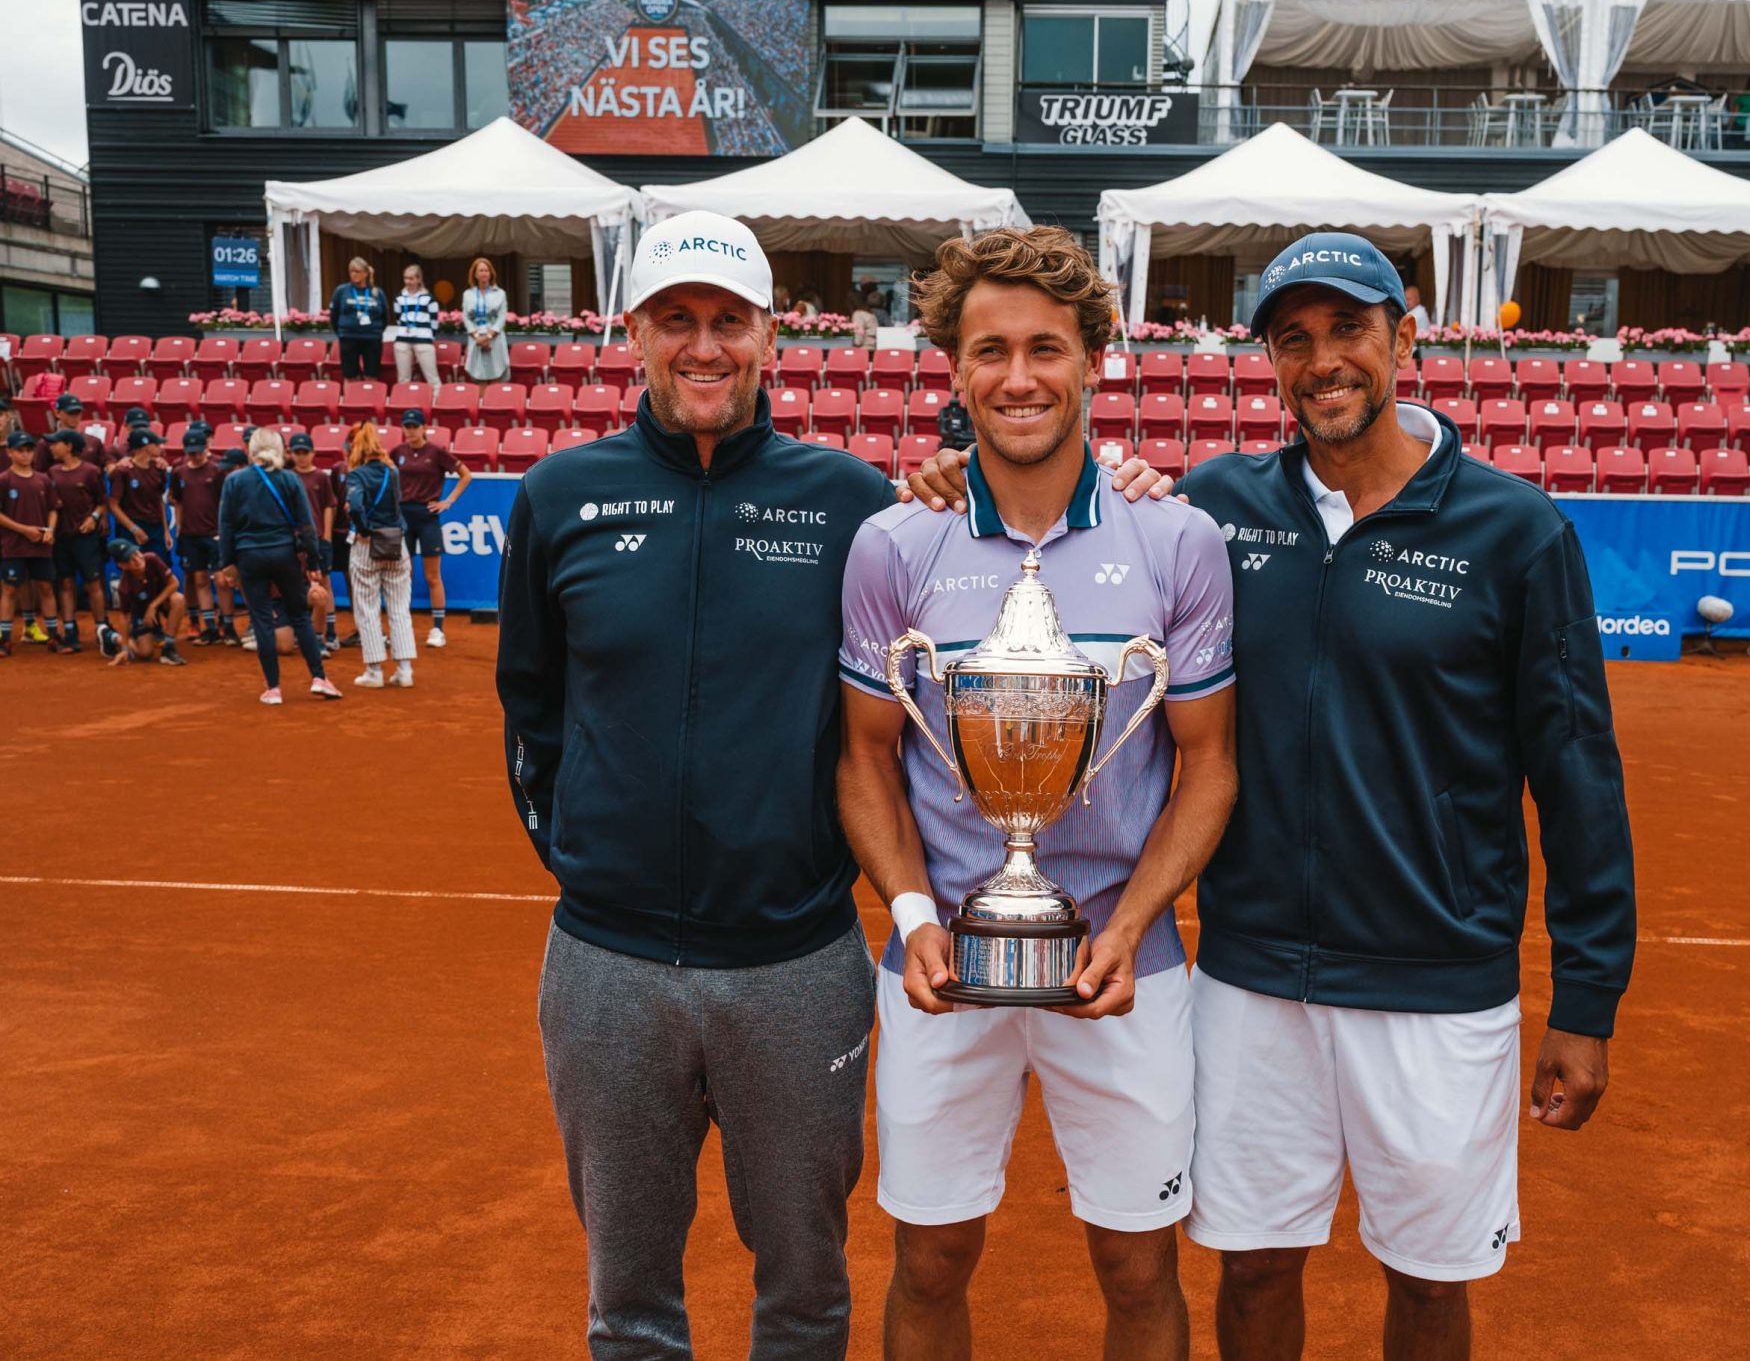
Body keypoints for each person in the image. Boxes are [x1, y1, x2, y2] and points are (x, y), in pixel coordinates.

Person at [905, 231, 1637, 1361]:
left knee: (1431, 1286)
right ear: (1269, 363)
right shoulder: (1214, 511)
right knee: (1249, 1274)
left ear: (1403, 337)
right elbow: (1080, 508)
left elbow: (1577, 774)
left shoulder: (1514, 530)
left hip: (1437, 982)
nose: (1321, 361)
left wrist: (1584, 1002)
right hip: (1252, 981)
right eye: (1292, 340)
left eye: (1347, 330)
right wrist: (958, 479)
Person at [497, 209, 895, 1361]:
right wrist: (585, 857)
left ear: (771, 336)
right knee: (627, 1304)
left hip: (796, 963)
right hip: (607, 966)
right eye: (677, 320)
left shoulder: (850, 501)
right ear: (634, 333)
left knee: (808, 1287)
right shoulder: (562, 494)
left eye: (728, 321)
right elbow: (531, 705)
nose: (703, 346)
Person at [837, 225, 1239, 1361]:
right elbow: (865, 756)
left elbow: (1207, 761)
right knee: (928, 1256)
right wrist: (915, 920)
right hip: (941, 967)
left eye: (1046, 350)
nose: (1018, 377)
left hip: (1126, 965)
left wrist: (1128, 924)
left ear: (1093, 362)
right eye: (990, 351)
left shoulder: (1177, 538)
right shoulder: (893, 541)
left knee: (1136, 1260)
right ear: (953, 371)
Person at [217, 429, 344, 705]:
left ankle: (273, 688)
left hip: (248, 555)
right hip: (284, 553)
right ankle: (319, 678)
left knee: (262, 620)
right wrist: (313, 561)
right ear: (279, 450)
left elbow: (225, 525)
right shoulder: (289, 479)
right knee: (299, 616)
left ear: (251, 450)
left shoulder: (235, 481)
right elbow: (306, 524)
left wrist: (226, 562)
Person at [343, 424, 417, 688]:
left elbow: (356, 507)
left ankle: (374, 671)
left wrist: (363, 528)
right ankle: (405, 670)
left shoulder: (356, 475)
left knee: (367, 607)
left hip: (368, 544)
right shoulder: (392, 472)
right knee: (399, 607)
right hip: (396, 541)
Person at [390, 408, 471, 647]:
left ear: (424, 428)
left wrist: (448, 501)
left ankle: (437, 630)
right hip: (403, 518)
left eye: (415, 426)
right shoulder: (397, 452)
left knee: (432, 576)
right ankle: (400, 626)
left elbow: (466, 475)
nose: (411, 431)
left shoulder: (436, 452)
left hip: (427, 517)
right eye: (407, 426)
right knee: (402, 574)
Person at [45, 428, 110, 654]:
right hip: (61, 537)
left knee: (93, 583)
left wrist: (94, 518)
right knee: (65, 583)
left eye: (56, 443)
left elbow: (102, 501)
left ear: (69, 446)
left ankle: (102, 628)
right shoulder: (51, 472)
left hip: (85, 537)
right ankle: (70, 631)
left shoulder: (90, 471)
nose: (52, 447)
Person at [169, 427, 237, 645]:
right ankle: (209, 628)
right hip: (190, 534)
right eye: (191, 452)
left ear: (206, 449)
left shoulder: (217, 471)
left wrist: (223, 530)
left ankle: (228, 626)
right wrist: (179, 526)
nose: (195, 456)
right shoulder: (179, 473)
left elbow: (226, 503)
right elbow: (177, 501)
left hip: (214, 534)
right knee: (198, 579)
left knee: (222, 580)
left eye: (198, 451)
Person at [0, 429, 60, 656]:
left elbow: (53, 509)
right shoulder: (4, 480)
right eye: (20, 451)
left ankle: (54, 636)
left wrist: (50, 530)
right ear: (10, 452)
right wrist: (24, 530)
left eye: (29, 450)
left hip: (41, 545)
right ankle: (5, 639)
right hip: (14, 545)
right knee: (9, 589)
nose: (25, 455)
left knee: (45, 587)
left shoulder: (43, 479)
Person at [288, 431, 340, 650]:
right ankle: (302, 631)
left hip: (317, 539)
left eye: (305, 452)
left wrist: (326, 536)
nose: (301, 457)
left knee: (323, 584)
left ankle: (330, 632)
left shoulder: (321, 477)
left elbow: (329, 506)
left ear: (313, 453)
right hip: (292, 540)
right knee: (294, 585)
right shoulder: (287, 476)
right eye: (297, 452)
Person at [103, 538, 186, 666]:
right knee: (144, 654)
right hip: (141, 615)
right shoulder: (125, 588)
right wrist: (125, 648)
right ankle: (110, 636)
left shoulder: (152, 558)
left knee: (178, 599)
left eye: (136, 553)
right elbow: (125, 616)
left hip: (160, 603)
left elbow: (174, 583)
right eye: (130, 559)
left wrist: (153, 606)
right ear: (122, 566)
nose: (137, 559)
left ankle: (168, 650)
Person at [108, 428, 173, 558]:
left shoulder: (158, 469)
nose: (160, 447)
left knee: (159, 568)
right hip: (132, 526)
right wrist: (134, 529)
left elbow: (159, 499)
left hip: (156, 527)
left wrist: (166, 531)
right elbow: (113, 504)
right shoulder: (123, 472)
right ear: (146, 447)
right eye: (156, 444)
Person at [331, 256, 390, 381]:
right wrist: (342, 332)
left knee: (372, 374)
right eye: (351, 271)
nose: (353, 274)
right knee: (350, 375)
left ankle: (369, 398)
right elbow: (334, 315)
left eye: (357, 271)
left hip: (372, 338)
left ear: (365, 273)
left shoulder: (377, 292)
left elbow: (385, 316)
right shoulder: (341, 291)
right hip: (349, 337)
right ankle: (351, 399)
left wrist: (376, 331)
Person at [392, 264, 443, 394]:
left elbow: (434, 321)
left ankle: (436, 404)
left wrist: (429, 336)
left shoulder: (429, 298)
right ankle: (405, 405)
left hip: (424, 340)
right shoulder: (399, 298)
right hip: (403, 339)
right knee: (403, 378)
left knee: (432, 378)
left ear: (419, 279)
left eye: (411, 278)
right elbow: (398, 318)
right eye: (405, 278)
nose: (408, 282)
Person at [461, 258, 509, 383]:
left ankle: (495, 402)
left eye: (486, 270)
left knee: (496, 374)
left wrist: (488, 337)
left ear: (491, 273)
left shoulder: (500, 293)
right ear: (475, 274)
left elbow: (502, 317)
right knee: (479, 376)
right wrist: (478, 337)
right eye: (481, 270)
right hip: (475, 338)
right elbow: (466, 317)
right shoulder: (468, 294)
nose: (484, 273)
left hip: (494, 338)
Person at [35, 393, 108, 471]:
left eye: (78, 412)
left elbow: (102, 473)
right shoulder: (46, 443)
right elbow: (41, 475)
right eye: (70, 413)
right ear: (57, 413)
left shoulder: (94, 442)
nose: (75, 416)